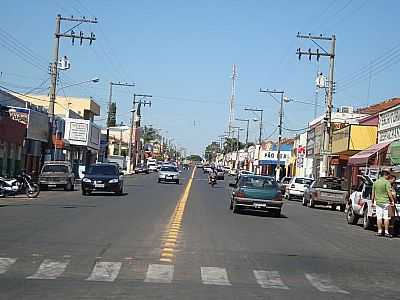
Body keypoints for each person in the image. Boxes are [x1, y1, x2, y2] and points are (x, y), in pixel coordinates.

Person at [372, 169, 395, 238]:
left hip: (378, 202)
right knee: (386, 218)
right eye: (388, 175)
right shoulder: (387, 182)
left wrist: (373, 201)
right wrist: (392, 201)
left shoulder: (375, 182)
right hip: (386, 203)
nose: (388, 176)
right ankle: (386, 232)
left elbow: (373, 193)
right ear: (385, 174)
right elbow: (389, 193)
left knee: (379, 217)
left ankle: (379, 231)